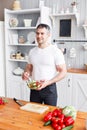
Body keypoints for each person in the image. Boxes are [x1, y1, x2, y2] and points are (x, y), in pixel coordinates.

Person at [22, 23, 67, 106]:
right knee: (34, 114)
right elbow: (29, 67)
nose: (39, 36)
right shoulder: (32, 51)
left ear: (48, 35)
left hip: (49, 89)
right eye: (37, 33)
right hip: (34, 88)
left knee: (49, 115)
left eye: (42, 33)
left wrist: (48, 82)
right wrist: (26, 73)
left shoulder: (55, 51)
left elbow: (63, 72)